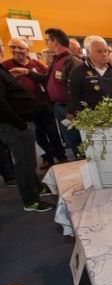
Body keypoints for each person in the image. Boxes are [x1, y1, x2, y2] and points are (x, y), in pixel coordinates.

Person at [0, 38, 52, 212]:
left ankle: (36, 187)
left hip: (17, 122)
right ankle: (31, 201)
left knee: (28, 160)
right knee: (24, 162)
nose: (4, 50)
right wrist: (20, 123)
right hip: (13, 125)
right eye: (6, 46)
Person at [4, 37, 67, 169]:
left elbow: (46, 80)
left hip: (44, 106)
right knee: (38, 136)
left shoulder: (36, 64)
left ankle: (61, 157)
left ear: (27, 50)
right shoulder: (6, 66)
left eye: (20, 47)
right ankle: (47, 158)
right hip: (24, 111)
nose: (17, 50)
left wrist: (29, 73)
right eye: (13, 47)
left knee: (53, 133)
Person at [44, 28, 83, 158]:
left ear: (55, 41)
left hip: (69, 108)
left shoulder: (72, 61)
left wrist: (72, 109)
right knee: (71, 141)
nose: (46, 43)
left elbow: (78, 89)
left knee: (78, 140)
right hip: (59, 107)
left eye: (47, 40)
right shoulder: (56, 60)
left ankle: (85, 167)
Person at [67, 35, 112, 117]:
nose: (104, 54)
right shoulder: (78, 72)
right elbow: (73, 99)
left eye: (106, 51)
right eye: (99, 51)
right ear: (88, 53)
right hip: (92, 123)